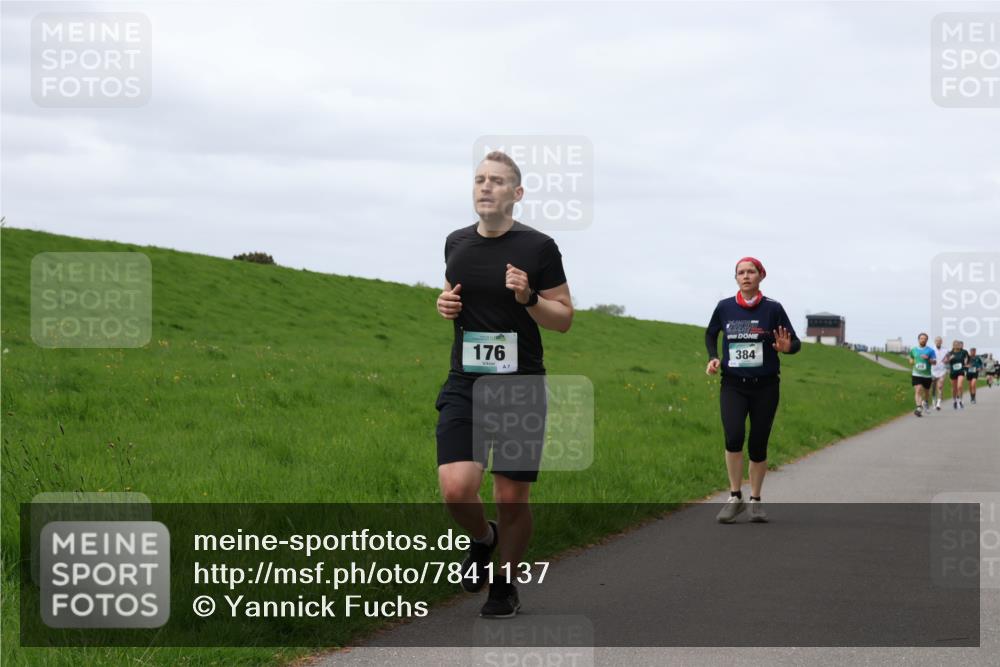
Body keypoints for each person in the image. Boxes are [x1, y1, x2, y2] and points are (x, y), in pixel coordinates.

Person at [435, 150, 573, 618]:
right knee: (456, 487)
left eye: (496, 181)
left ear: (516, 194)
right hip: (466, 383)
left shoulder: (539, 247)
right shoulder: (455, 243)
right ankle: (483, 538)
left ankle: (505, 584)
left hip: (519, 387)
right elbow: (457, 300)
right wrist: (445, 307)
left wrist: (529, 296)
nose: (485, 187)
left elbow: (563, 319)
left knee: (511, 496)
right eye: (479, 179)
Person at [705, 257, 800, 524]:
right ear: (736, 278)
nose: (746, 276)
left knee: (758, 445)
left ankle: (756, 500)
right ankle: (735, 497)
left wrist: (785, 348)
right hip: (733, 385)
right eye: (740, 272)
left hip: (766, 387)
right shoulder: (724, 307)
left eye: (751, 272)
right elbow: (711, 333)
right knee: (733, 437)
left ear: (760, 276)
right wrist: (713, 357)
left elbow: (795, 343)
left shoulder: (773, 309)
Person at [907, 333, 936, 417]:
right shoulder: (913, 350)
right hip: (916, 374)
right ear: (918, 339)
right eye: (921, 338)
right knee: (918, 390)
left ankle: (926, 402)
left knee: (927, 392)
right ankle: (919, 408)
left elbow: (934, 362)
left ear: (927, 340)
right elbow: (911, 357)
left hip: (927, 375)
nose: (923, 340)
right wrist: (911, 361)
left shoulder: (930, 351)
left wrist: (928, 359)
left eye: (924, 339)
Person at [943, 340, 969, 410]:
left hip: (961, 371)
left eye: (958, 344)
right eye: (955, 344)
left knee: (959, 386)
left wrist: (966, 363)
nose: (957, 345)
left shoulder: (963, 352)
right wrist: (949, 359)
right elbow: (944, 361)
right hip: (953, 372)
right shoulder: (950, 353)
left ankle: (960, 401)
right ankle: (954, 401)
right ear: (953, 345)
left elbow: (968, 358)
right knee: (954, 389)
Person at [929, 335, 949, 411]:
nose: (938, 342)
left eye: (940, 341)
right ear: (935, 342)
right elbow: (929, 359)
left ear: (941, 342)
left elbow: (948, 358)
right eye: (937, 341)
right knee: (933, 388)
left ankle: (938, 404)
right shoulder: (931, 350)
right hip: (933, 371)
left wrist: (947, 360)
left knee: (940, 386)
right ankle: (934, 402)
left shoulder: (945, 350)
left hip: (942, 371)